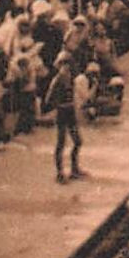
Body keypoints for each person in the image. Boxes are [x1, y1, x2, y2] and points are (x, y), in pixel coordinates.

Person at [41, 52, 83, 182]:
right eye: (63, 64)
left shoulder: (70, 77)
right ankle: (59, 173)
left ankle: (74, 169)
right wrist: (58, 105)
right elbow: (48, 99)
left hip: (70, 110)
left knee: (78, 141)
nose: (66, 67)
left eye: (68, 64)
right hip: (62, 112)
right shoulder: (57, 80)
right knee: (61, 143)